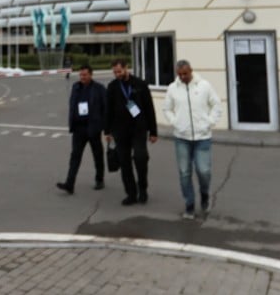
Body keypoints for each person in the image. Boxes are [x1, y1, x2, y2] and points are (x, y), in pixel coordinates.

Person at [162, 59, 222, 220]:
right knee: (184, 172)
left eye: (185, 73)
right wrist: (175, 122)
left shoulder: (204, 86)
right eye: (179, 74)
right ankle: (189, 205)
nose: (182, 77)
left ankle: (204, 194)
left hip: (202, 137)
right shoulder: (173, 88)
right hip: (182, 137)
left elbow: (216, 105)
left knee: (204, 171)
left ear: (191, 71)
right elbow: (167, 109)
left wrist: (209, 123)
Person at [104, 59, 158, 205]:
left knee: (140, 158)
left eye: (119, 71)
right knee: (124, 162)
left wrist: (153, 131)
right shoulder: (113, 87)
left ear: (126, 68)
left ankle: (143, 189)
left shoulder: (140, 84)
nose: (117, 74)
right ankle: (131, 193)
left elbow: (149, 108)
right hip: (119, 130)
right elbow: (108, 109)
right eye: (114, 72)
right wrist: (107, 131)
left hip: (138, 129)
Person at [56, 65, 107, 193]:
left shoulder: (99, 89)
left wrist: (103, 127)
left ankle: (99, 179)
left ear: (91, 75)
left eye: (85, 75)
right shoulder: (76, 87)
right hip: (79, 128)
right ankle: (70, 183)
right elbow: (72, 104)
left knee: (98, 155)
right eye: (81, 75)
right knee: (75, 156)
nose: (82, 77)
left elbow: (105, 108)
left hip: (93, 127)